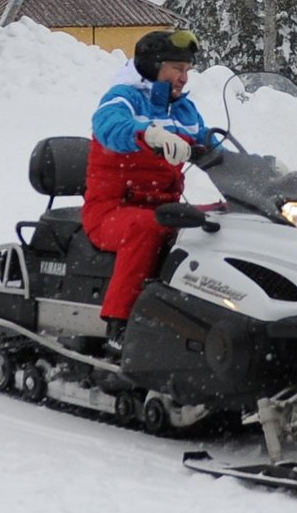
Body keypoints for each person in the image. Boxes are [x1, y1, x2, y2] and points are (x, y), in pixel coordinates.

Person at [83, 29, 208, 355]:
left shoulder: (182, 109)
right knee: (145, 229)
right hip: (111, 210)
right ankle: (119, 324)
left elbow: (212, 143)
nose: (184, 77)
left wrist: (256, 167)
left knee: (217, 221)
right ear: (154, 66)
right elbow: (108, 126)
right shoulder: (123, 97)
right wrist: (147, 135)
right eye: (177, 69)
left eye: (187, 70)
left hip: (165, 207)